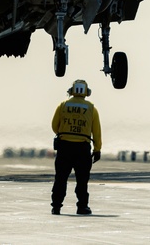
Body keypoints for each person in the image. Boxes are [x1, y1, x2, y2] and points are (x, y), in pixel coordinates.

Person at [51, 79, 102, 215]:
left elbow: (54, 125)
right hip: (82, 148)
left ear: (72, 91)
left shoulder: (63, 105)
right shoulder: (91, 108)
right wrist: (97, 149)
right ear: (87, 92)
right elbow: (96, 131)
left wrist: (65, 134)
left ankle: (56, 206)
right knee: (82, 180)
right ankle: (82, 206)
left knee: (60, 178)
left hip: (64, 147)